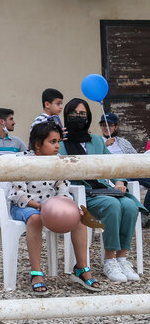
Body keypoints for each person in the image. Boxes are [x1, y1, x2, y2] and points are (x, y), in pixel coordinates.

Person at [59, 98, 147, 283]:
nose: (78, 117)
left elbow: (112, 166)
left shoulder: (97, 141)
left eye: (82, 114)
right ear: (66, 116)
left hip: (104, 189)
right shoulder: (61, 143)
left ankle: (122, 258)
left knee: (130, 205)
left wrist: (120, 181)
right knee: (112, 205)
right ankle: (109, 259)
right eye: (73, 114)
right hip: (81, 193)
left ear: (88, 117)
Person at [9, 120, 99, 295]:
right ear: (37, 145)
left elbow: (63, 190)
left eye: (59, 141)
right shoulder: (23, 162)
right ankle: (36, 273)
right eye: (52, 142)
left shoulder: (58, 163)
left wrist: (71, 208)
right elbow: (18, 195)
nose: (58, 146)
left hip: (52, 208)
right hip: (26, 207)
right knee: (35, 219)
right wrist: (41, 207)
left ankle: (81, 268)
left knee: (79, 219)